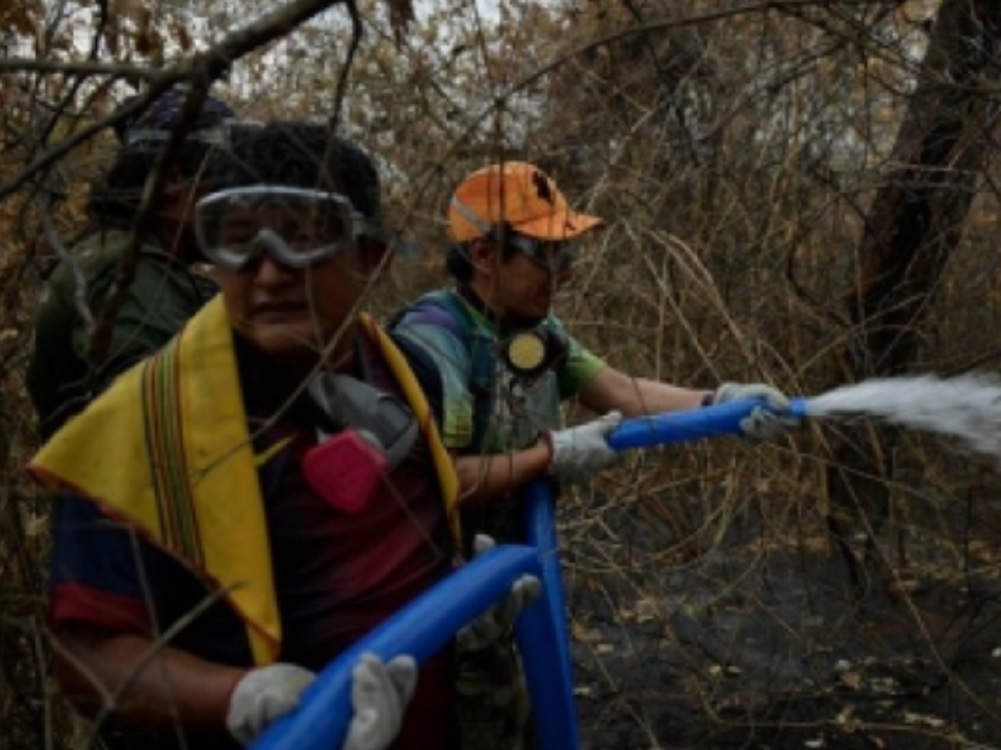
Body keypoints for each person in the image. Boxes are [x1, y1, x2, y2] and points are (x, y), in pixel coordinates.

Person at [28, 122, 494, 750]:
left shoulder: (411, 374)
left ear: (370, 257)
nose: (269, 274)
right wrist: (242, 697)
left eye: (304, 239)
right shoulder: (142, 432)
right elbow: (89, 658)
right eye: (238, 242)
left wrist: (468, 601)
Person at [391, 160, 800, 748]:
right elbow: (439, 484)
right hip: (447, 606)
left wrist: (722, 403)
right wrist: (548, 455)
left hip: (514, 586)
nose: (566, 274)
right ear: (483, 254)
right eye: (548, 255)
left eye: (568, 255)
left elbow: (619, 391)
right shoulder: (435, 344)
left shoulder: (540, 328)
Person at [26, 85, 233, 440]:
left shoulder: (122, 257)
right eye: (224, 184)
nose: (235, 203)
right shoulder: (130, 274)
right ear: (172, 181)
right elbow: (164, 423)